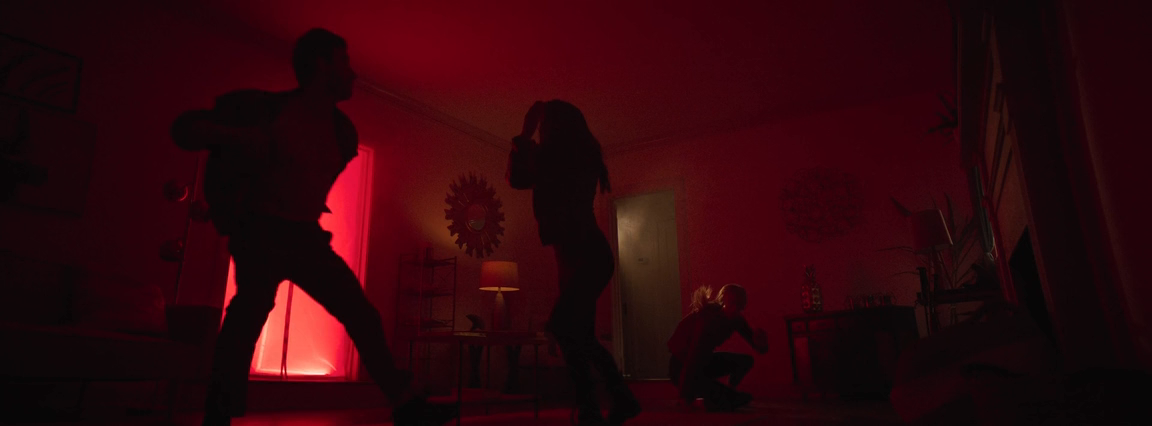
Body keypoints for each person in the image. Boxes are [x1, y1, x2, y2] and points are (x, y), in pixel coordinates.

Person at [170, 28, 455, 426]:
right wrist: (236, 138)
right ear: (322, 66)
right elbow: (184, 130)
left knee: (359, 313)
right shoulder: (265, 110)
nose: (353, 74)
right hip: (261, 231)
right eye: (345, 62)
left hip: (304, 236)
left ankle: (405, 404)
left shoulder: (343, 133)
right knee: (246, 318)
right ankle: (216, 416)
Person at [506, 100, 640, 425]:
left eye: (544, 124)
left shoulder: (559, 156)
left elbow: (518, 178)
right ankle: (604, 404)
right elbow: (521, 178)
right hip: (577, 256)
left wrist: (524, 135)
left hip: (585, 256)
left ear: (556, 126)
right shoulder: (570, 156)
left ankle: (601, 403)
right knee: (579, 334)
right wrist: (527, 140)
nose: (542, 130)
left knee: (563, 327)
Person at [667, 284, 770, 412]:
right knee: (732, 399)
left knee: (746, 362)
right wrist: (684, 395)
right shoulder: (708, 318)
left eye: (738, 306)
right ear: (724, 301)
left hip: (702, 362)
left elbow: (758, 347)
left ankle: (725, 392)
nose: (734, 310)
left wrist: (762, 344)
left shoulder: (736, 319)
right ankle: (708, 396)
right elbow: (692, 356)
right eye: (732, 304)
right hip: (680, 367)